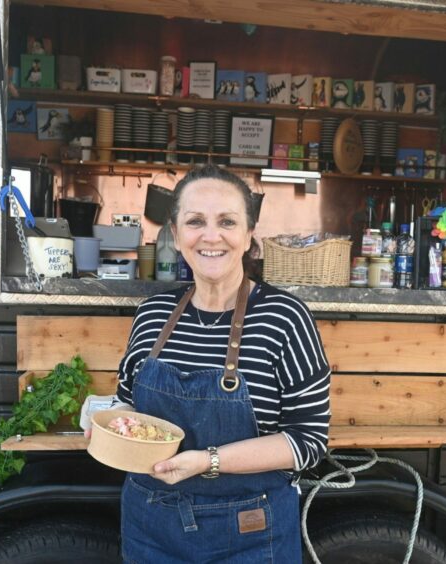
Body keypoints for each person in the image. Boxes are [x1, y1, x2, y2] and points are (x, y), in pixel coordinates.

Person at [105, 164, 331, 563]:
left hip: (251, 529)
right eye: (195, 222)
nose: (211, 236)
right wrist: (112, 430)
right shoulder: (152, 315)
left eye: (227, 221)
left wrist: (207, 461)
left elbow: (308, 442)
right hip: (150, 524)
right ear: (176, 235)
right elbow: (126, 403)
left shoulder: (285, 318)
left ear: (248, 235)